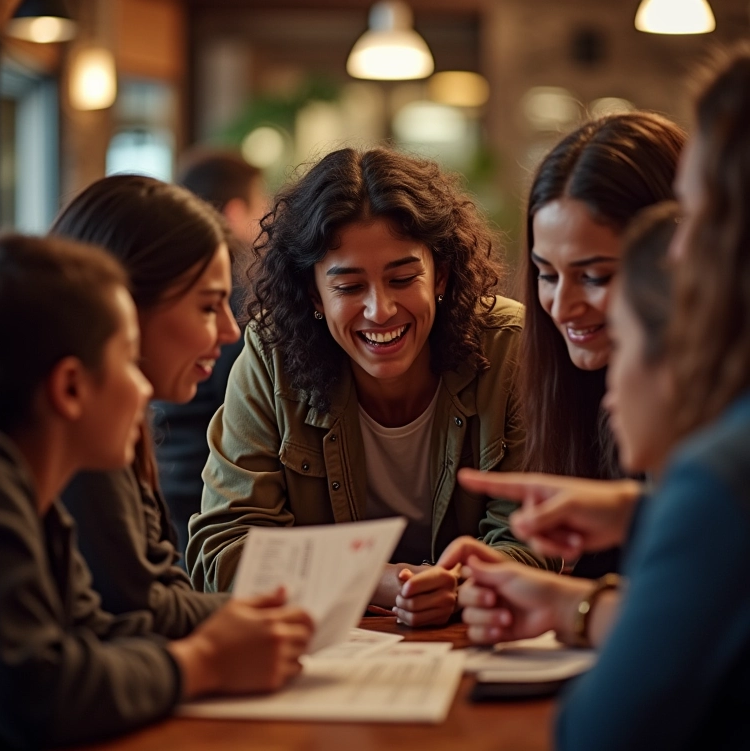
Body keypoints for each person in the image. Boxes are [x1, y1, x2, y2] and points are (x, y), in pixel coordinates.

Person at [441, 48, 750, 751]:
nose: (562, 306)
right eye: (547, 275)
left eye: (695, 217)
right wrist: (626, 527)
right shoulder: (570, 384)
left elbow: (600, 739)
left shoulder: (717, 464)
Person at [188, 145, 557, 628]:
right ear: (312, 293)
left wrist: (458, 586)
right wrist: (390, 581)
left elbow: (535, 542)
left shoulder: (510, 348)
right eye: (348, 287)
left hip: (476, 639)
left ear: (440, 275)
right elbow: (224, 553)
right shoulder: (272, 354)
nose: (379, 310)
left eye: (403, 278)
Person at [0, 234, 312, 751]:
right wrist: (202, 661)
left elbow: (95, 634)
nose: (143, 390)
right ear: (70, 389)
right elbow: (37, 691)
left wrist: (235, 631)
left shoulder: (32, 498)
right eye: (130, 363)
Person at [50, 174, 241, 637]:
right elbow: (136, 606)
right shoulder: (76, 437)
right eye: (209, 307)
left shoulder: (122, 426)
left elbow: (157, 591)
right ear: (124, 306)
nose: (231, 331)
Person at [520, 111, 685, 577]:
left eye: (595, 276)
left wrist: (571, 611)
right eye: (547, 275)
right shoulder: (579, 389)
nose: (563, 306)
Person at [155, 149, 267, 558]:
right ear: (236, 213)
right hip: (200, 495)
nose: (227, 330)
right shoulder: (240, 289)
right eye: (262, 208)